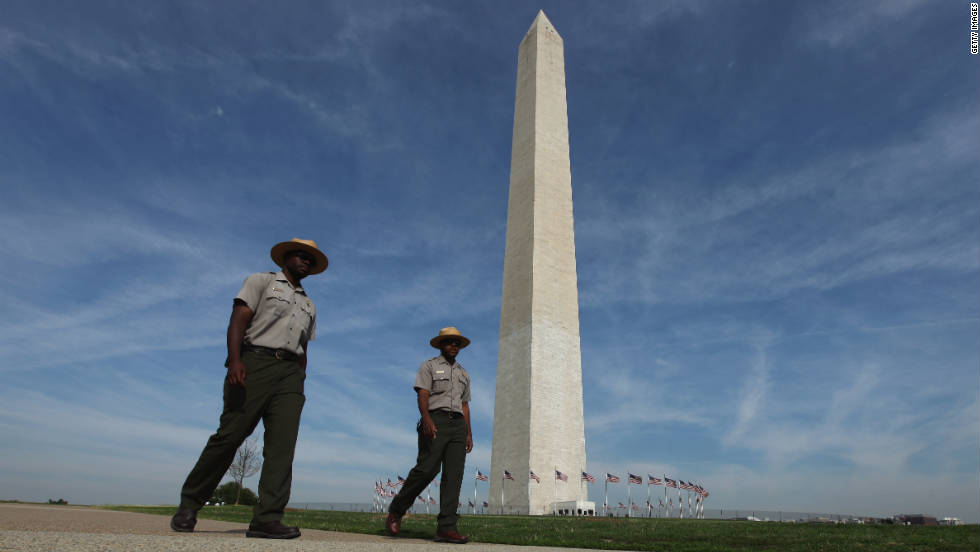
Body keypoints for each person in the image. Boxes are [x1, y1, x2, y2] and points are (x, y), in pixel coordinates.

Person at [170, 238, 328, 539]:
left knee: (282, 447)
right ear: (285, 258)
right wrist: (235, 361)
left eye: (311, 260)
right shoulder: (262, 282)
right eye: (301, 256)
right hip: (255, 362)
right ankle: (190, 503)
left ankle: (267, 518)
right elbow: (238, 320)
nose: (305, 262)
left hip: (290, 374)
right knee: (230, 435)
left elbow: (304, 346)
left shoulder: (309, 304)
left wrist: (300, 379)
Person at [386, 327, 473, 544]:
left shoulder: (464, 374)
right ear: (441, 344)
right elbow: (423, 394)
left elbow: (465, 405)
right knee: (427, 469)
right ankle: (397, 510)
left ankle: (446, 528)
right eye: (449, 342)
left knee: (453, 477)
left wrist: (469, 433)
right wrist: (426, 418)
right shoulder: (429, 366)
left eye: (457, 343)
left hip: (458, 427)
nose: (454, 346)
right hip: (436, 419)